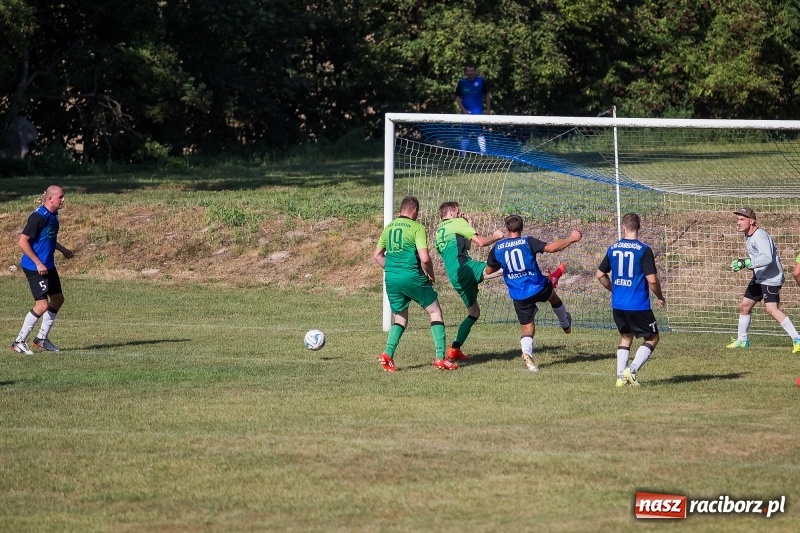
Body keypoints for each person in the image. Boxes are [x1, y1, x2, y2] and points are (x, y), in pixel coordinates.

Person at [484, 215, 581, 372]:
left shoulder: (498, 248)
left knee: (527, 329)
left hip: (519, 294)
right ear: (522, 227)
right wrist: (572, 238)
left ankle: (528, 355)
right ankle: (565, 323)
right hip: (538, 287)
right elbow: (552, 248)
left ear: (507, 229)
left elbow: (488, 270)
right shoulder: (527, 241)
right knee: (554, 298)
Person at [373, 196, 457, 371]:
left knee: (400, 318)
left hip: (391, 278)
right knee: (435, 312)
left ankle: (387, 355)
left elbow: (377, 255)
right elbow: (425, 259)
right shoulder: (417, 227)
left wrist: (393, 269)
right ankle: (440, 358)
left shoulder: (389, 227)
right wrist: (431, 275)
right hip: (412, 276)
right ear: (415, 211)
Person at [595, 213, 665, 387]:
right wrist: (660, 297)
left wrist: (614, 289)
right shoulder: (643, 250)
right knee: (652, 338)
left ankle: (620, 378)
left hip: (618, 304)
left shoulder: (613, 248)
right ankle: (631, 370)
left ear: (623, 228)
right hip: (638, 305)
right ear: (639, 227)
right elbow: (652, 280)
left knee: (626, 337)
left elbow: (600, 274)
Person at [434, 201, 504, 362]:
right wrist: (497, 236)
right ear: (451, 213)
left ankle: (455, 349)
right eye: (458, 212)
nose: (460, 215)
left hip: (454, 276)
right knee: (499, 267)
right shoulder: (456, 222)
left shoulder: (439, 231)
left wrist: (470, 224)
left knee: (474, 312)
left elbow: (466, 246)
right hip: (464, 268)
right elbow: (480, 243)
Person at [726, 207, 800, 353]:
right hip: (760, 276)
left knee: (771, 309)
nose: (738, 223)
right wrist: (743, 264)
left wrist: (746, 263)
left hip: (771, 278)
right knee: (744, 306)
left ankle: (797, 339)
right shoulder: (748, 235)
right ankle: (742, 340)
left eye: (742, 219)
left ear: (751, 221)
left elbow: (767, 258)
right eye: (737, 220)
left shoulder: (759, 235)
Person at [11, 185, 74, 354]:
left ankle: (41, 339)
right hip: (34, 267)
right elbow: (22, 242)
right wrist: (38, 263)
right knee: (42, 305)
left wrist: (63, 249)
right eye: (61, 197)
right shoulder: (38, 216)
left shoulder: (54, 215)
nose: (63, 200)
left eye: (63, 196)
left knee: (58, 299)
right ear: (50, 198)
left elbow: (48, 237)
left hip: (47, 266)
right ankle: (19, 341)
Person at [455, 63, 490, 154]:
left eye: (472, 71)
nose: (470, 73)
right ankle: (463, 155)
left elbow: (486, 95)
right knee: (465, 134)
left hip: (478, 112)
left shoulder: (481, 81)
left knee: (480, 133)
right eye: (468, 71)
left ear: (475, 71)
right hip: (465, 113)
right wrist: (463, 110)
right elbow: (457, 97)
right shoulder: (462, 82)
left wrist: (488, 109)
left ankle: (483, 153)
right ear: (466, 72)